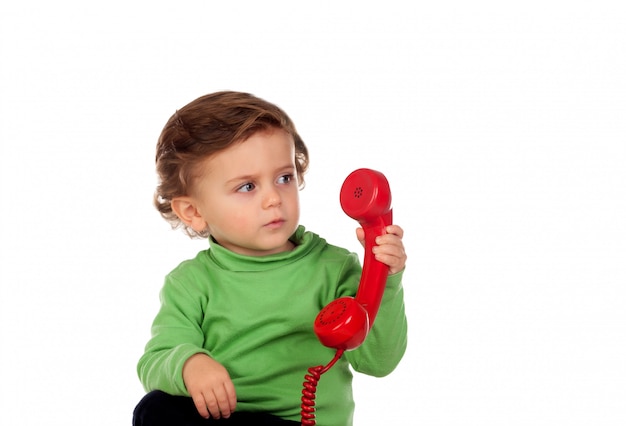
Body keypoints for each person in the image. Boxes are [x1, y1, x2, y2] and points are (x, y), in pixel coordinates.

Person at [133, 91, 408, 426]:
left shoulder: (333, 269)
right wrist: (189, 363)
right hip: (225, 419)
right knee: (153, 410)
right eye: (247, 187)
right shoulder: (191, 283)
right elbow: (155, 360)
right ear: (193, 211)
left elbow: (379, 362)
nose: (273, 199)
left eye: (284, 178)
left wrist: (385, 277)